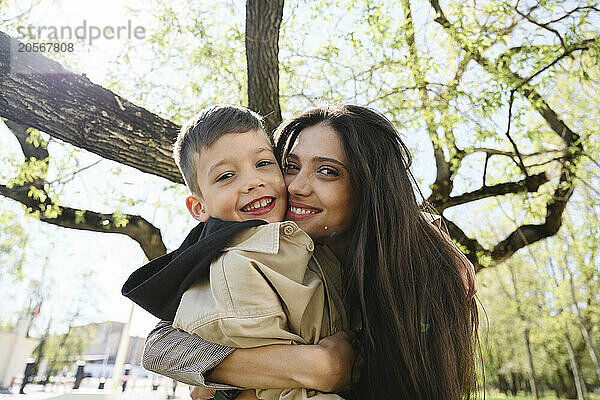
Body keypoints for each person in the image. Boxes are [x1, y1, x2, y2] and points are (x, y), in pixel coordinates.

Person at [142, 105, 479, 399]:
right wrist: (311, 367)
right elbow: (161, 344)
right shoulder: (254, 252)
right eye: (289, 165)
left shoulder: (417, 286)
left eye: (328, 171)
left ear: (369, 187)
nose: (296, 186)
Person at [122, 104, 349, 400]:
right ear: (199, 207)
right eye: (227, 176)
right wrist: (321, 367)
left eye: (264, 164)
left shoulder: (290, 247)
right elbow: (280, 390)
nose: (253, 181)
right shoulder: (239, 267)